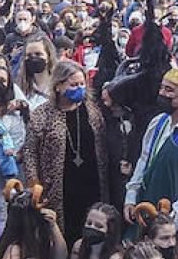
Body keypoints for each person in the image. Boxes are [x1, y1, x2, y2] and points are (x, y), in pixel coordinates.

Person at [22, 58, 111, 243]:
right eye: (73, 84)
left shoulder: (92, 111)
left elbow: (102, 143)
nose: (79, 88)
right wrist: (34, 186)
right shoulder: (41, 115)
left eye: (81, 84)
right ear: (58, 86)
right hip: (58, 187)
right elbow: (30, 152)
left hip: (92, 182)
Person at [124, 67, 178, 224]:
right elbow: (144, 160)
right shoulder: (159, 122)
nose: (162, 94)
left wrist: (171, 224)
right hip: (147, 210)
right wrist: (131, 197)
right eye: (162, 88)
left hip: (175, 222)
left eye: (169, 90)